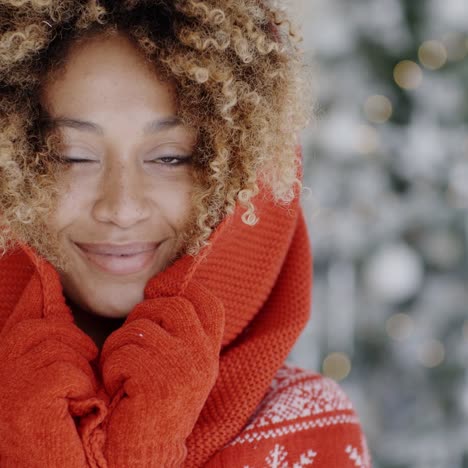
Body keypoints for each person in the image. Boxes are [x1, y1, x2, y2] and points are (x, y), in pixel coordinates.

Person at [0, 1, 371, 467]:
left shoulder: (307, 428)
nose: (121, 207)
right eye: (72, 156)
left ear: (242, 173)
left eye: (171, 158)